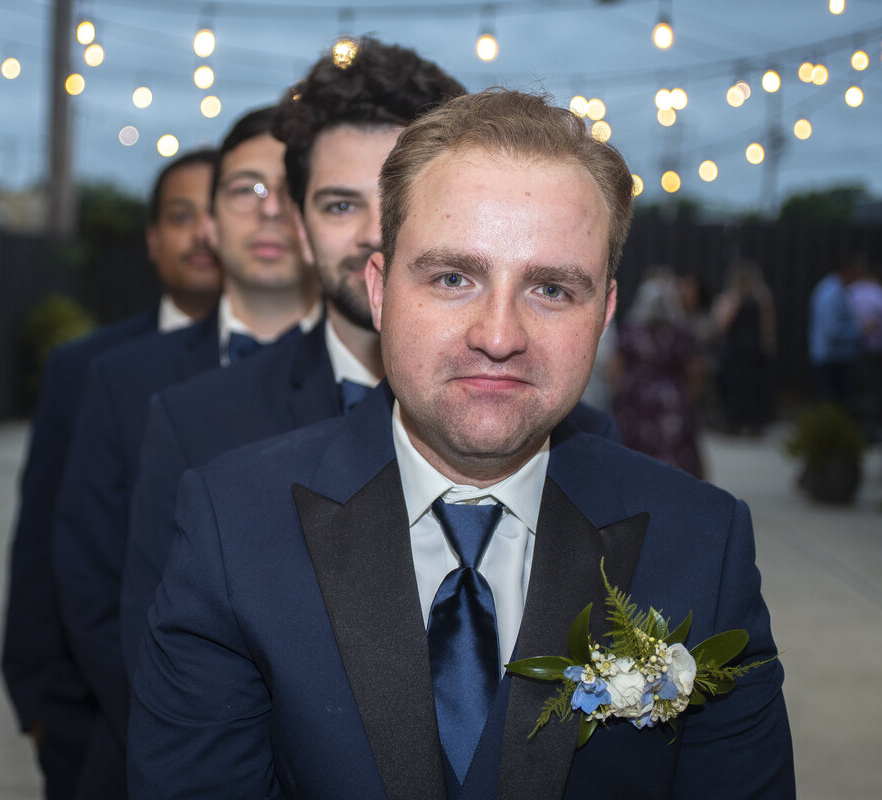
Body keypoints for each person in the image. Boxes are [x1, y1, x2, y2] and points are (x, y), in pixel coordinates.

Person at [131, 89, 793, 798]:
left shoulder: (701, 541)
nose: (499, 335)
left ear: (604, 314)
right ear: (380, 291)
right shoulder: (234, 527)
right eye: (453, 278)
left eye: (551, 290)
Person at [119, 37, 618, 683]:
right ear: (298, 224)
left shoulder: (572, 433)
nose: (371, 231)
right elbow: (147, 662)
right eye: (340, 204)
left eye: (395, 199)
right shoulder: (199, 424)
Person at [52, 106, 318, 798]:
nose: (267, 212)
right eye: (244, 190)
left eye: (289, 190)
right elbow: (87, 577)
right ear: (211, 218)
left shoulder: (381, 382)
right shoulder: (122, 379)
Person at [0, 147, 222, 800]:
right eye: (182, 216)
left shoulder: (295, 371)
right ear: (153, 241)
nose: (203, 232)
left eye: (218, 211)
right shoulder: (87, 369)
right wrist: (37, 695)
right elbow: (44, 536)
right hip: (90, 714)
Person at [612, 269, 705, 478]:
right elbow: (695, 370)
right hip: (672, 401)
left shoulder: (631, 330)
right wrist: (690, 399)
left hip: (634, 400)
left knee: (633, 454)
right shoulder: (681, 333)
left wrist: (619, 395)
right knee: (674, 458)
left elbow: (616, 367)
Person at [712, 260, 776, 435]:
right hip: (753, 350)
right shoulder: (763, 298)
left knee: (735, 389)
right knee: (754, 388)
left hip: (735, 351)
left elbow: (722, 326)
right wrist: (767, 349)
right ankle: (754, 423)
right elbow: (767, 328)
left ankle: (733, 423)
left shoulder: (731, 298)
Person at [847, 261, 882, 440]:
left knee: (856, 390)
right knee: (874, 392)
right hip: (876, 351)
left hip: (851, 348)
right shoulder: (881, 296)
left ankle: (856, 428)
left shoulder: (851, 292)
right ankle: (872, 431)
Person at [808, 255, 863, 412]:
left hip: (836, 357)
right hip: (832, 358)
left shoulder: (837, 290)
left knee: (837, 403)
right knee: (833, 404)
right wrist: (860, 330)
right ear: (848, 271)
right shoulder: (831, 294)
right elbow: (831, 331)